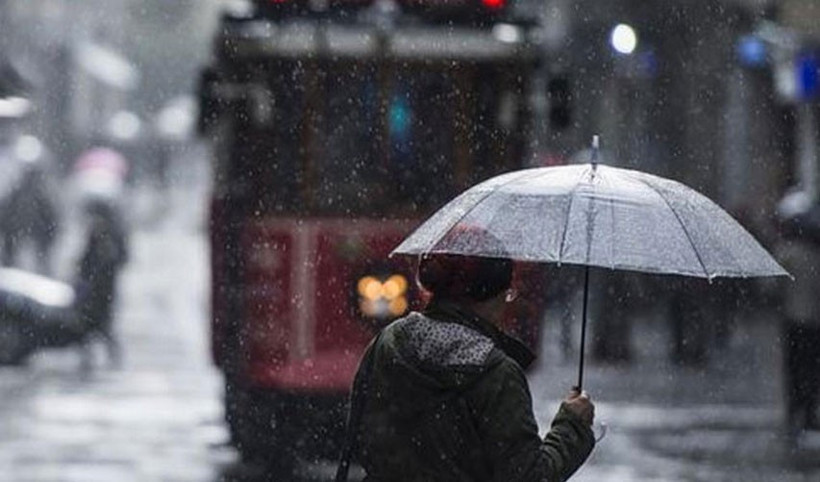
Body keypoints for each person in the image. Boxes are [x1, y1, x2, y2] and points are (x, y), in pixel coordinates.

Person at [337, 250, 595, 481]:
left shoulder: (388, 342)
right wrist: (572, 425)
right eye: (507, 294)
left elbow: (360, 435)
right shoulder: (496, 373)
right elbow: (529, 476)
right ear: (491, 297)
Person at [776, 195, 820, 438]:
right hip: (814, 321)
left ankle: (794, 411)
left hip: (793, 321)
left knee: (794, 368)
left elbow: (771, 289)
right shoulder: (816, 256)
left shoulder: (787, 253)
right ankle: (808, 411)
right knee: (811, 368)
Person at [74, 199, 129, 368]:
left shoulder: (112, 234)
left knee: (102, 325)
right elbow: (86, 257)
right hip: (92, 288)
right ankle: (89, 357)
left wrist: (106, 261)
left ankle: (114, 357)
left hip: (104, 289)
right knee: (89, 324)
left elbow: (121, 258)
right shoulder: (94, 233)